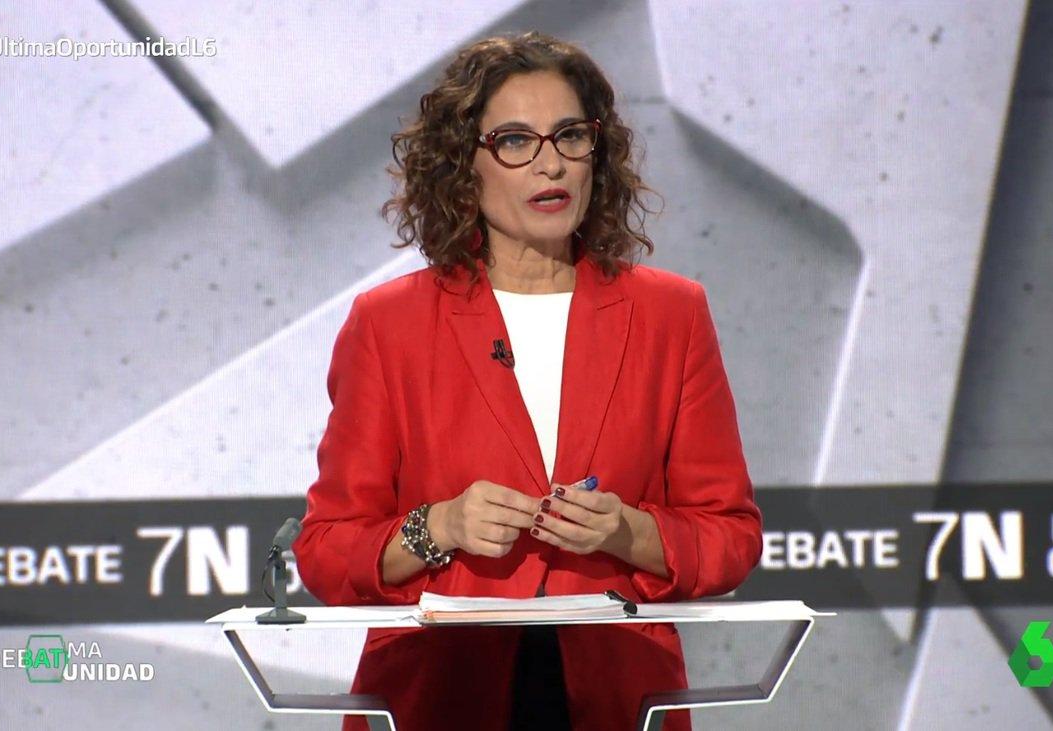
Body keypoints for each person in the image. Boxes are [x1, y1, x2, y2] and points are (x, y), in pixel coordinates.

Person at [292, 31, 763, 731]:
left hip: (615, 697)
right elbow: (327, 549)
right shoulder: (388, 325)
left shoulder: (672, 314)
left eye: (570, 136)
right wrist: (439, 525)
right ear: (464, 165)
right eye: (516, 141)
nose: (552, 164)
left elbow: (731, 535)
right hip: (437, 696)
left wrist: (631, 531)